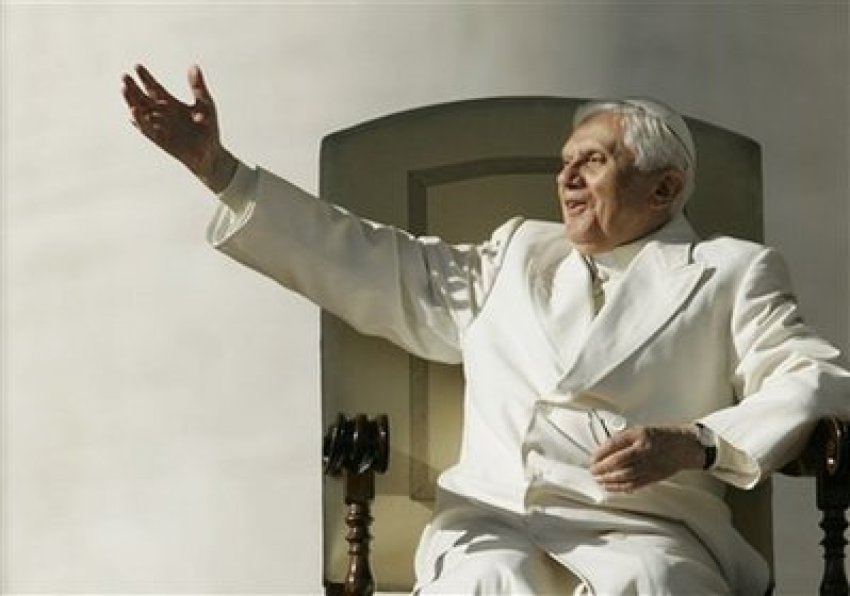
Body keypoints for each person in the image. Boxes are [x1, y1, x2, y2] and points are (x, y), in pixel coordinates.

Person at [122, 64, 850, 594]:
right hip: (496, 520)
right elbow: (376, 265)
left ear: (665, 188)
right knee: (486, 583)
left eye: (592, 161)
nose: (566, 178)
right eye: (563, 163)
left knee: (653, 584)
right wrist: (220, 171)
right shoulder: (517, 254)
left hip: (646, 530)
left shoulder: (728, 272)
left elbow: (813, 377)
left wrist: (695, 441)